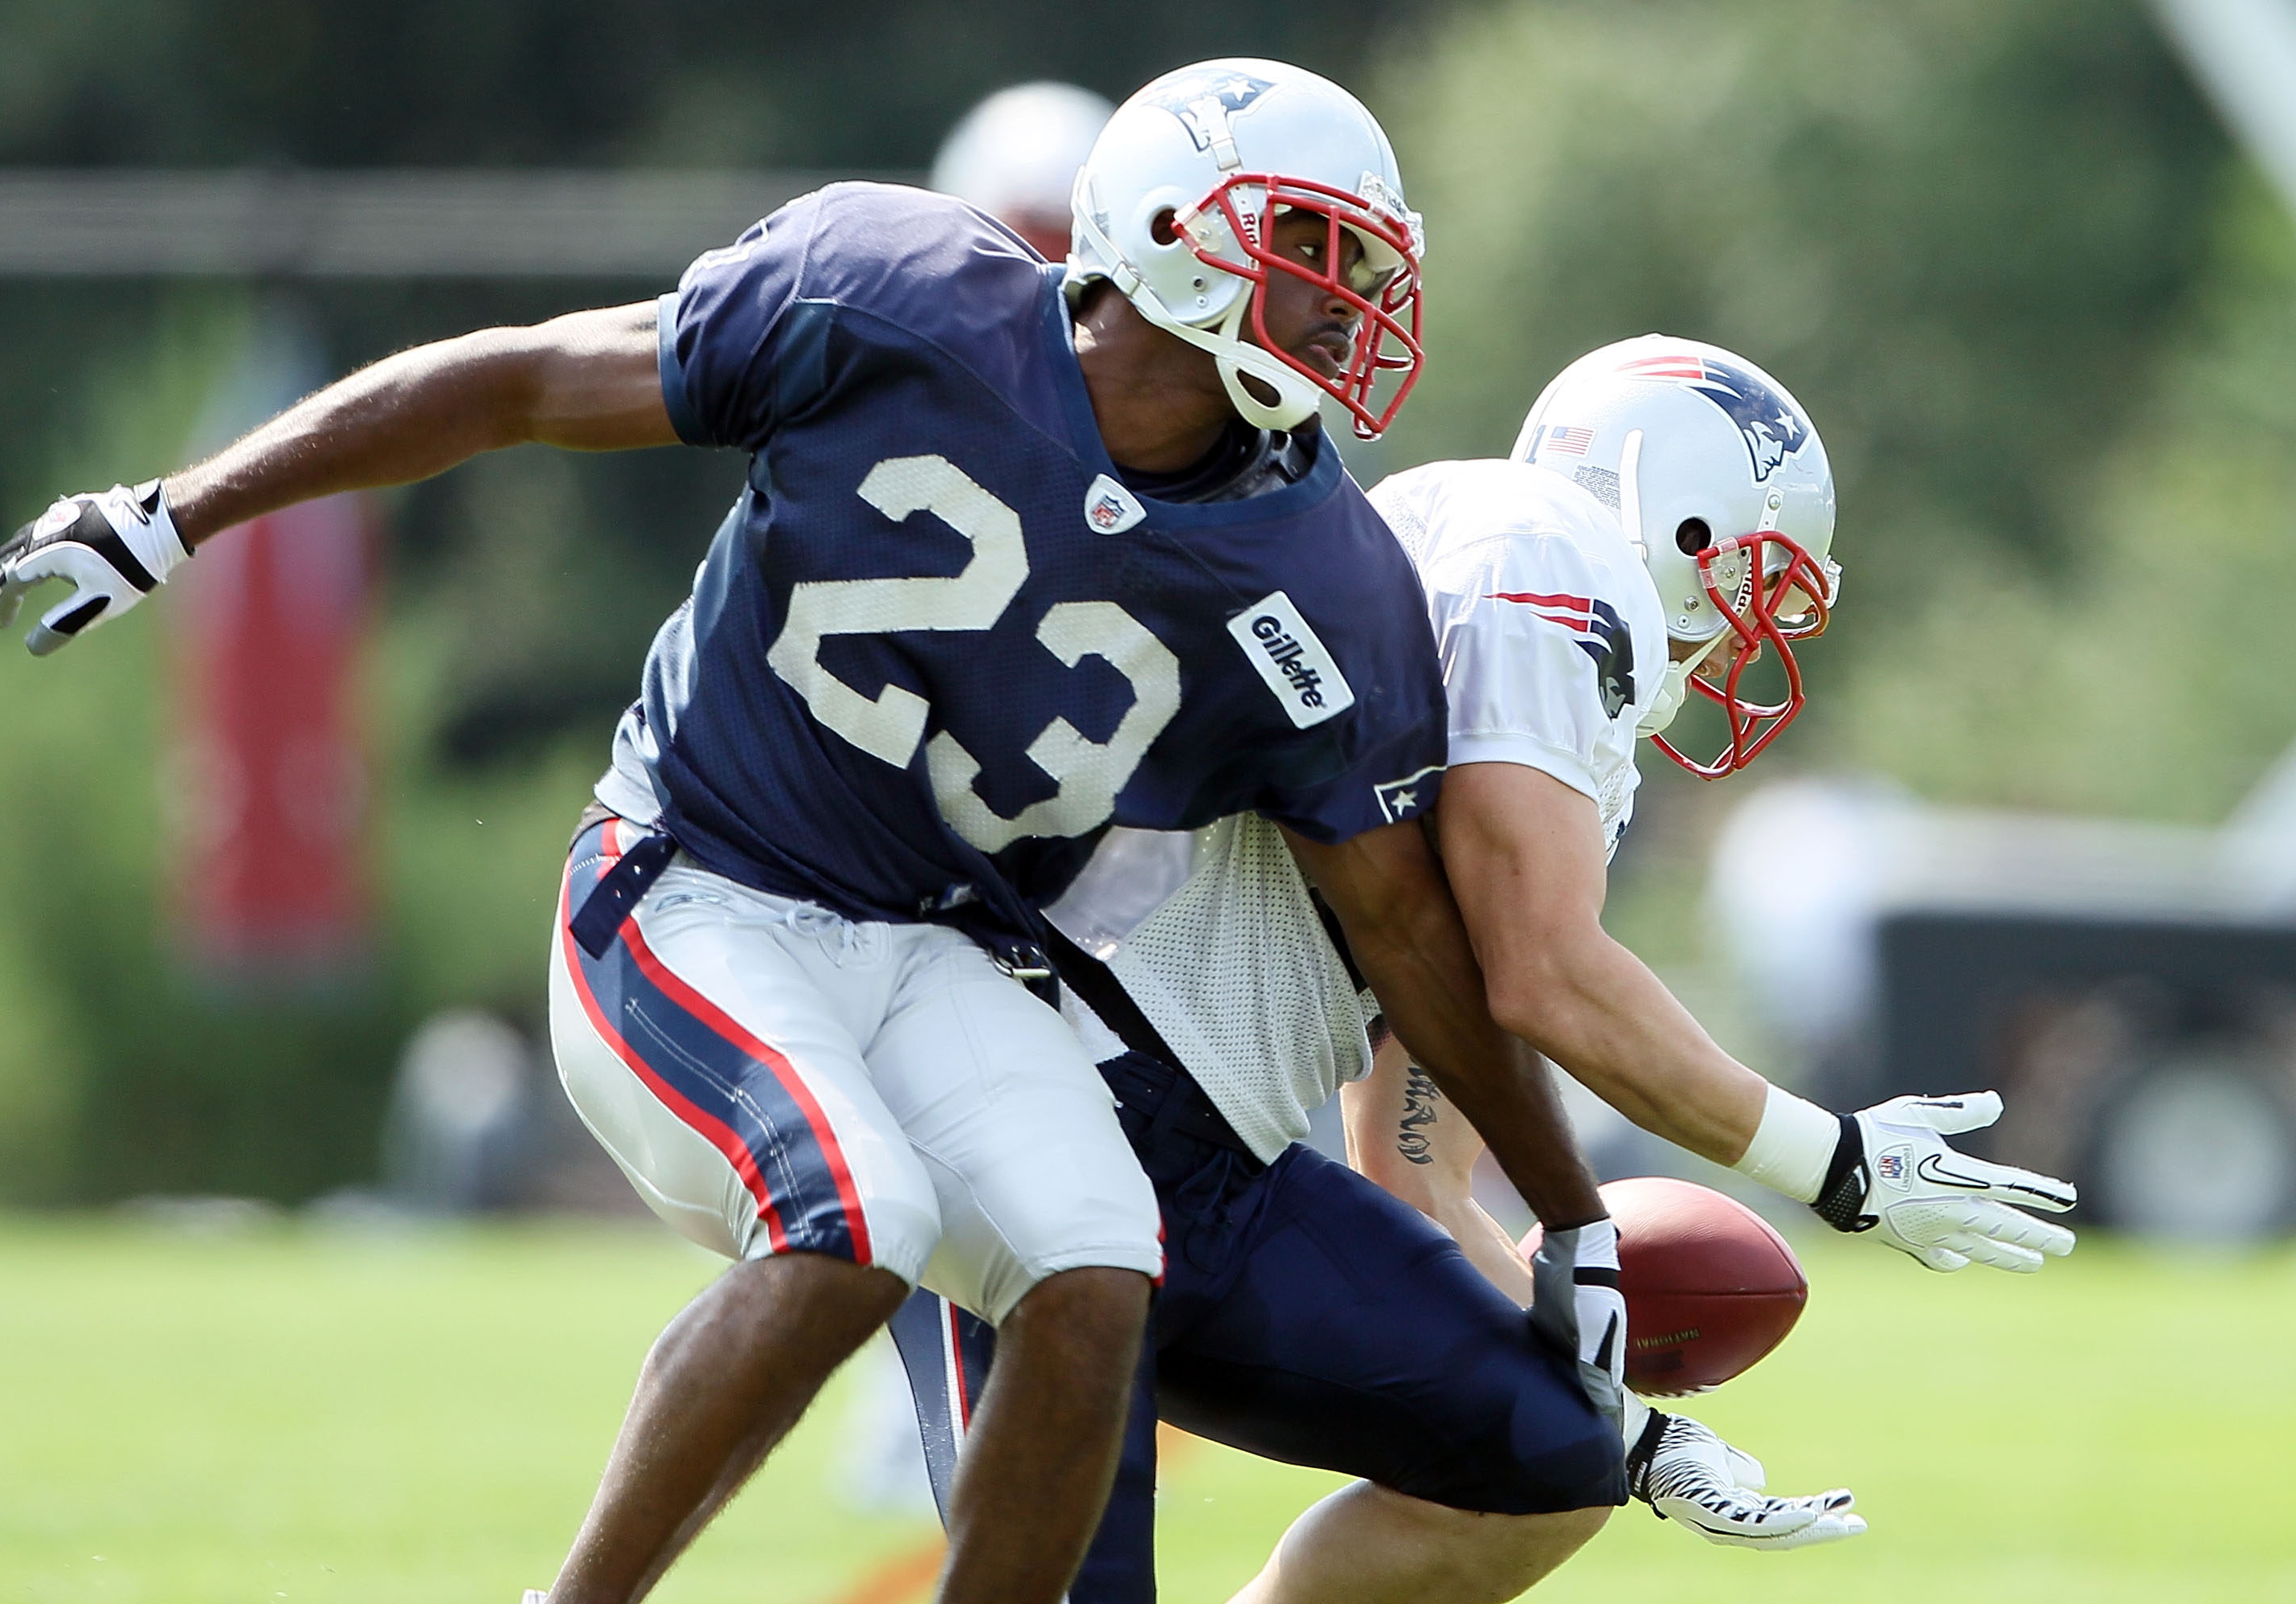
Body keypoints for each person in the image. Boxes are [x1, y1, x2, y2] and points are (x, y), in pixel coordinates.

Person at [0, 59, 1622, 1604]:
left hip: (943, 948)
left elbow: (1407, 927)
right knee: (853, 1228)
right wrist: (175, 511)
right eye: (1312, 255)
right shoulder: (895, 295)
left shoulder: (1320, 571)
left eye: (1361, 268)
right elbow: (526, 381)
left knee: (1094, 1256)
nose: (1345, 307)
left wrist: (1572, 1209)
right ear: (1171, 234)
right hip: (691, 882)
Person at [889, 337, 2075, 1604]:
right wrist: (1834, 1162)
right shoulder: (1541, 555)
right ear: (1674, 519)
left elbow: (1416, 1174)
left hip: (1199, 1152)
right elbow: (1547, 975)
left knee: (1547, 1461)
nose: (1741, 640)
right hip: (1041, 1092)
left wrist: (1633, 1428)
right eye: (1748, 582)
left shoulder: (1501, 622)